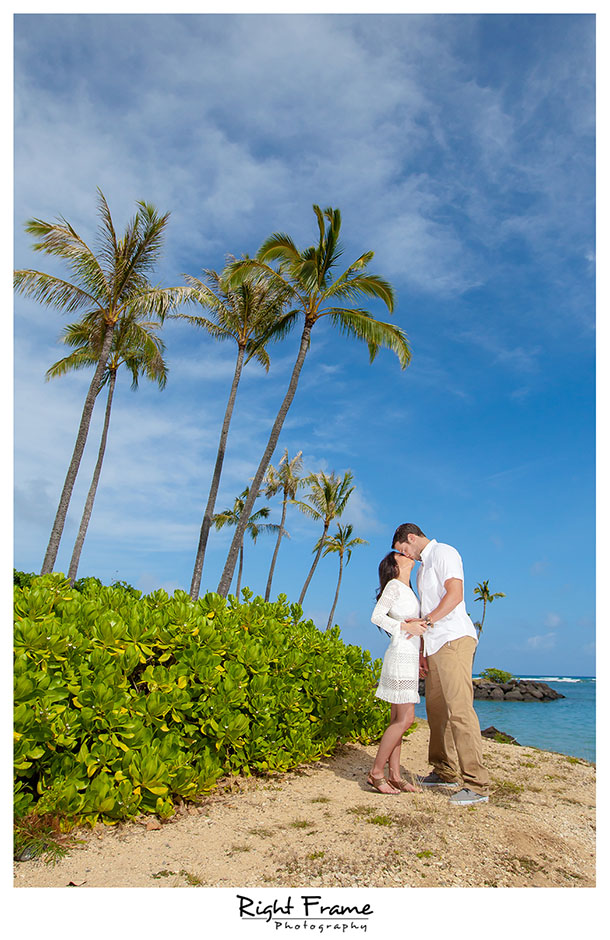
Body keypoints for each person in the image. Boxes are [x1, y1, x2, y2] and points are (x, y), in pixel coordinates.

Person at [393, 523, 490, 806]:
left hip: (454, 639)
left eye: (403, 549)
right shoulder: (422, 569)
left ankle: (477, 784)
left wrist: (427, 621)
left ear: (411, 538)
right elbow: (427, 608)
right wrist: (423, 651)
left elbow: (455, 594)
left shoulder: (444, 552)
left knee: (459, 710)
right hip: (434, 646)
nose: (405, 555)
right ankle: (444, 771)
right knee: (436, 712)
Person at [367, 549, 428, 794]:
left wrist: (420, 652)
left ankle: (394, 775)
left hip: (409, 656)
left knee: (397, 720)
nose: (407, 555)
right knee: (406, 719)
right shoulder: (393, 586)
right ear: (394, 565)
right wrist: (404, 626)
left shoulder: (408, 590)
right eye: (401, 555)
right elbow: (376, 616)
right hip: (400, 654)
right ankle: (376, 772)